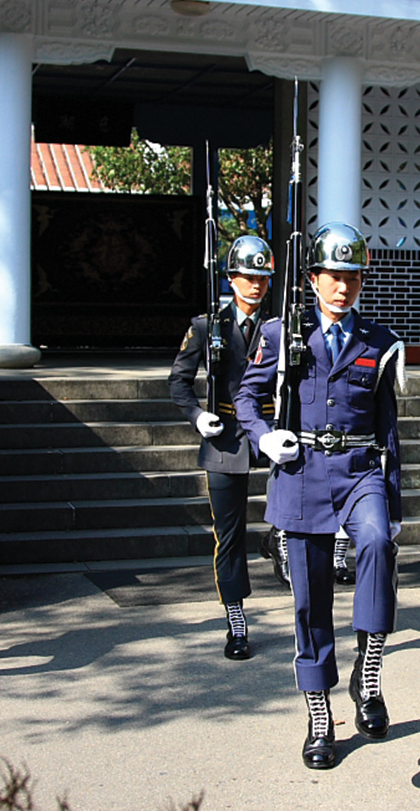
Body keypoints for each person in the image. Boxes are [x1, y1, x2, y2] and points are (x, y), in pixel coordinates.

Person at [235, 222, 403, 770]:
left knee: (377, 542)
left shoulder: (380, 342)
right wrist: (264, 437)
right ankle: (319, 715)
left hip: (359, 470)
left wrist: (394, 501)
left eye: (352, 277)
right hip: (302, 471)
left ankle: (369, 671)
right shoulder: (282, 333)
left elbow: (388, 427)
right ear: (311, 278)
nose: (343, 288)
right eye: (333, 276)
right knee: (311, 605)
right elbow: (246, 397)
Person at [169, 235, 277, 660]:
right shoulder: (205, 326)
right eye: (248, 277)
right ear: (232, 279)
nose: (256, 285)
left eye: (262, 278)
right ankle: (236, 620)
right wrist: (198, 416)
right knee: (228, 534)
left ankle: (276, 542)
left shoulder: (280, 326)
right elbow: (178, 382)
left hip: (271, 430)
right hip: (226, 433)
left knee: (295, 514)